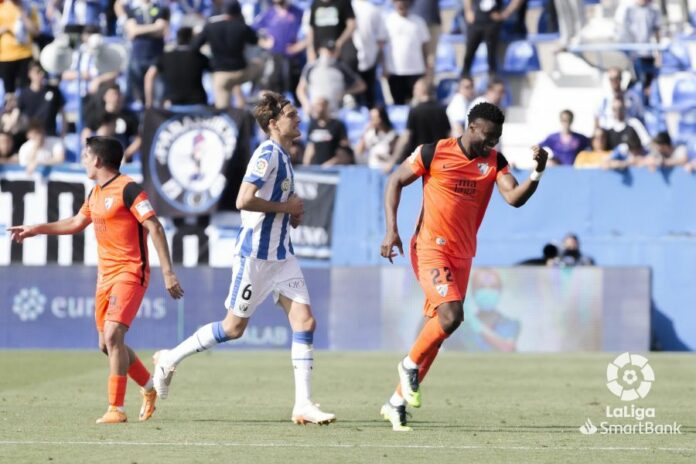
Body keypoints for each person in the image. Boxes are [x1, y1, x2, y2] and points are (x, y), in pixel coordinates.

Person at [152, 92, 336, 426]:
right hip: (255, 256)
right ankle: (169, 358)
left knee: (305, 322)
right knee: (232, 328)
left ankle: (303, 404)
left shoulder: (284, 156)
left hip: (282, 257)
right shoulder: (266, 155)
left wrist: (290, 215)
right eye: (291, 115)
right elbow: (243, 200)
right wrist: (285, 208)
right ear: (273, 123)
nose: (298, 119)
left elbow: (277, 203)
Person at [379, 102, 547, 431]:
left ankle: (396, 402)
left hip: (462, 255)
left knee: (439, 331)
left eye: (497, 138)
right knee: (452, 316)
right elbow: (395, 181)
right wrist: (391, 230)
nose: (492, 144)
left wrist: (537, 172)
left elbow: (513, 197)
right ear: (471, 128)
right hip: (429, 248)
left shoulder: (495, 161)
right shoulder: (433, 153)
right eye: (487, 136)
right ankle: (408, 364)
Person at [8, 136, 184, 424]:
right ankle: (149, 387)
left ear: (98, 160)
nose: (84, 161)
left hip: (131, 271)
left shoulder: (129, 189)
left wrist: (168, 272)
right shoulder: (94, 194)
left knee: (114, 335)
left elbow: (154, 226)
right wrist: (36, 228)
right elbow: (76, 223)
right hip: (105, 277)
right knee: (106, 344)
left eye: (86, 156)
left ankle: (116, 408)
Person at [192, 0, 260, 109]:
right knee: (260, 64)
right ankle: (255, 94)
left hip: (220, 74)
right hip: (241, 72)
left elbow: (194, 47)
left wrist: (208, 63)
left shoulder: (210, 26)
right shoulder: (241, 25)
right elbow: (255, 40)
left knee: (223, 111)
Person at [144, 26, 210, 109]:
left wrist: (149, 104)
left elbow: (149, 76)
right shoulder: (199, 57)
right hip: (197, 103)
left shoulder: (165, 56)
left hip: (172, 104)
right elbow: (216, 72)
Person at [303, 96, 353, 166]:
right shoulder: (312, 125)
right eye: (315, 106)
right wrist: (306, 165)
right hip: (316, 168)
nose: (317, 109)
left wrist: (330, 163)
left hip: (334, 169)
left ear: (327, 107)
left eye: (320, 105)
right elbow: (310, 147)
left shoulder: (337, 125)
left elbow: (345, 149)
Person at [355, 105, 398, 172]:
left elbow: (395, 156)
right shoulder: (370, 134)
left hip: (387, 170)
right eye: (371, 119)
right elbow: (359, 151)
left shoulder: (393, 135)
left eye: (375, 118)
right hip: (372, 170)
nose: (373, 121)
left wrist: (383, 157)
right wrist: (364, 132)